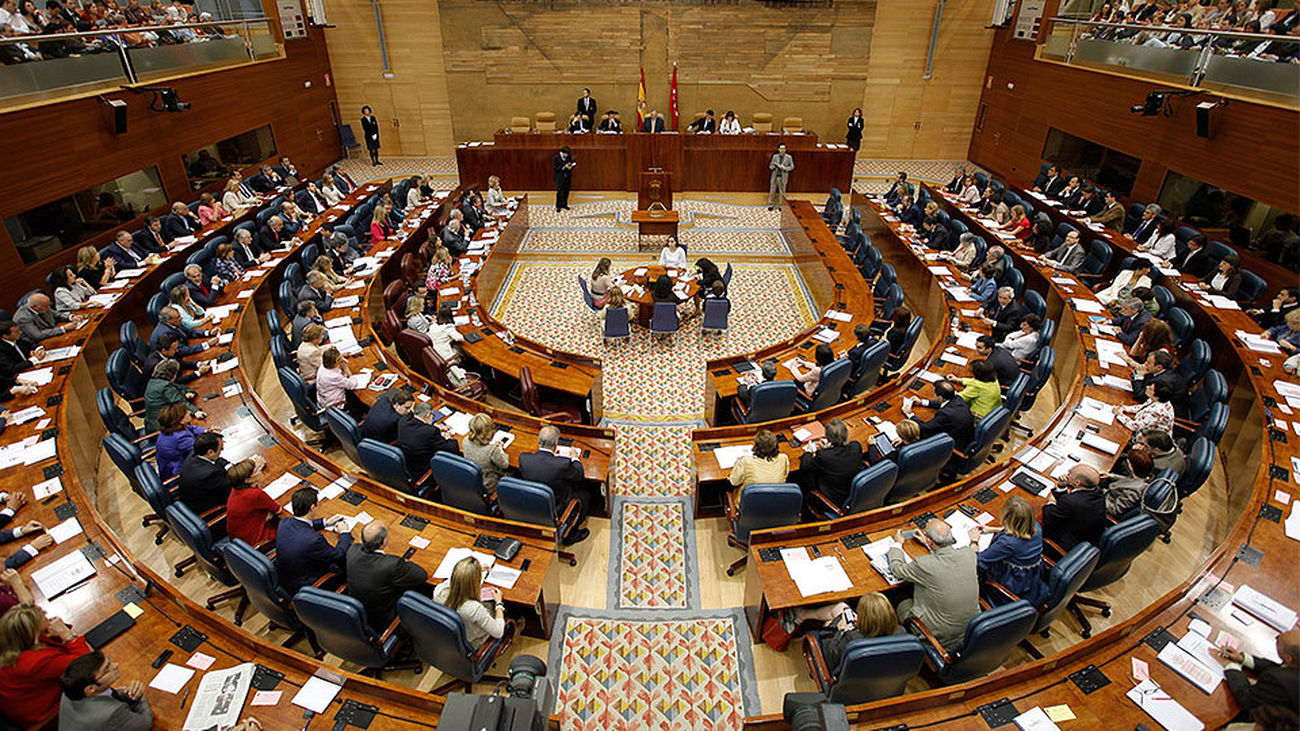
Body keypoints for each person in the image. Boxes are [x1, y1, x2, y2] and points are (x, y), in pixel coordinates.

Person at [887, 520, 979, 652]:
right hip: (970, 628)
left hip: (937, 636)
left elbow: (897, 569)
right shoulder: (969, 554)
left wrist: (897, 544)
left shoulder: (924, 564)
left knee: (896, 593)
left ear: (930, 540)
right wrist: (929, 544)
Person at [0, 605, 91, 726]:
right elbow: (87, 664)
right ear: (35, 634)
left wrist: (54, 630)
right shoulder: (34, 662)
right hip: (52, 718)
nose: (48, 616)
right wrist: (66, 634)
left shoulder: (15, 645)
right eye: (45, 619)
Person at [347, 521, 429, 628]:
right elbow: (422, 576)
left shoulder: (352, 550)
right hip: (384, 617)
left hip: (358, 610)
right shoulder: (392, 565)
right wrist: (404, 562)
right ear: (384, 541)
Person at [971, 496, 1047, 607]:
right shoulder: (1036, 527)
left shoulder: (1007, 543)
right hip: (1031, 579)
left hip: (1010, 583)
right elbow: (1020, 530)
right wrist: (992, 529)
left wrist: (974, 541)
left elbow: (978, 562)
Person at [276, 487, 353, 594]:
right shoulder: (314, 540)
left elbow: (301, 525)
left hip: (286, 576)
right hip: (306, 584)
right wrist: (345, 533)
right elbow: (339, 554)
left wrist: (325, 522)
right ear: (312, 508)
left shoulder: (285, 522)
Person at [519, 425, 589, 541]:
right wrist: (574, 458)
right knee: (584, 495)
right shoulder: (562, 464)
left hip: (530, 504)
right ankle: (571, 535)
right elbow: (579, 474)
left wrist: (553, 458)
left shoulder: (524, 458)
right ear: (556, 443)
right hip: (555, 507)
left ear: (538, 441)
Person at [57, 650, 154, 731]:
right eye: (107, 669)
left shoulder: (69, 691)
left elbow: (108, 693)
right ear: (91, 689)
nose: (116, 665)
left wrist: (125, 693)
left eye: (110, 662)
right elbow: (145, 723)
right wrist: (139, 697)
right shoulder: (112, 713)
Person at [1215, 628, 1299, 716]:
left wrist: (1230, 665)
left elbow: (1246, 698)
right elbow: (1280, 668)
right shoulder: (1295, 662)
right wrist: (1242, 659)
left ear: (1289, 658)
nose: (1276, 638)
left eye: (1278, 640)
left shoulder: (1282, 682)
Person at [433, 556, 509, 650]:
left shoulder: (439, 591)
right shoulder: (474, 608)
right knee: (495, 607)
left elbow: (457, 580)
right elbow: (498, 632)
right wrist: (499, 603)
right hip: (472, 640)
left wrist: (473, 571)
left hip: (451, 635)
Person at [817, 592, 898, 671]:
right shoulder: (901, 633)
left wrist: (840, 631)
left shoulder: (852, 639)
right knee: (841, 607)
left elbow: (831, 656)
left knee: (829, 622)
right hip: (884, 676)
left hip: (846, 677)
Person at [797, 418, 864, 506]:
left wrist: (809, 452)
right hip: (849, 489)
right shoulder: (856, 446)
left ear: (828, 438)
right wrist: (829, 447)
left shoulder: (824, 456)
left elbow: (805, 465)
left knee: (803, 474)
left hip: (833, 499)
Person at [1043, 464, 1106, 550]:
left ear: (1077, 483)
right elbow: (1069, 508)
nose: (1067, 473)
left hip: (1066, 543)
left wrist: (1050, 503)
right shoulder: (1097, 492)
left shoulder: (1072, 502)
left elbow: (1049, 517)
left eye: (1070, 473)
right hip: (1087, 537)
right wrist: (1062, 487)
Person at [396, 402, 461, 477]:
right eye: (432, 415)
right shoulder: (430, 432)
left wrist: (434, 425)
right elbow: (452, 448)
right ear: (428, 414)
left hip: (406, 464)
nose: (432, 417)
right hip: (422, 469)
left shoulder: (403, 421)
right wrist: (448, 437)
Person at [904, 380, 975, 448]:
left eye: (934, 394)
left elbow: (925, 427)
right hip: (967, 436)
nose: (933, 395)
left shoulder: (945, 414)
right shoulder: (957, 398)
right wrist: (922, 402)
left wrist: (910, 414)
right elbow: (943, 404)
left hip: (955, 446)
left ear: (940, 398)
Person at [728, 429, 789, 502]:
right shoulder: (784, 458)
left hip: (748, 505)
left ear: (756, 447)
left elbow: (734, 482)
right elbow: (785, 475)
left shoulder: (746, 461)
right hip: (775, 502)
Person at [143, 359, 201, 434]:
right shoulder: (165, 386)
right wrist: (196, 411)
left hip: (154, 421)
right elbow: (179, 402)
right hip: (162, 427)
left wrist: (187, 392)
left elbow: (180, 387)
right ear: (173, 375)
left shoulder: (155, 381)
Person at [177, 431, 229, 514]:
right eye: (221, 449)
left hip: (192, 497)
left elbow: (217, 460)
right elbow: (231, 486)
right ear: (210, 452)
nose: (222, 450)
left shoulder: (195, 454)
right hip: (208, 509)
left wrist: (229, 466)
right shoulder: (209, 474)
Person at [461, 413, 509, 497]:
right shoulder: (492, 450)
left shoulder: (465, 441)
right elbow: (505, 465)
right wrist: (501, 450)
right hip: (489, 485)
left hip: (473, 481)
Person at [156, 402, 203, 480]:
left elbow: (191, 428)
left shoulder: (172, 427)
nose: (189, 412)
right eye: (186, 412)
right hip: (178, 473)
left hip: (165, 466)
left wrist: (206, 431)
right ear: (180, 420)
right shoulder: (181, 438)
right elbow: (201, 451)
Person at [316, 346, 366, 420]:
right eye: (339, 359)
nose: (342, 360)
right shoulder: (333, 376)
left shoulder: (323, 367)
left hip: (323, 399)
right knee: (359, 399)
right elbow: (352, 385)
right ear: (335, 362)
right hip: (335, 404)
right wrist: (346, 369)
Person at [767, 143, 794, 211]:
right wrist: (773, 166)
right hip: (775, 176)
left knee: (782, 192)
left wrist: (785, 168)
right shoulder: (775, 157)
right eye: (781, 148)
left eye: (784, 149)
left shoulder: (789, 157)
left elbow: (792, 167)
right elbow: (770, 166)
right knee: (772, 191)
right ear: (778, 149)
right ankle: (771, 204)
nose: (782, 150)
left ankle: (780, 205)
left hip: (783, 176)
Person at [553, 146, 575, 212]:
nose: (567, 155)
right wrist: (563, 167)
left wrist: (570, 166)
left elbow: (569, 162)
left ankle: (564, 204)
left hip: (567, 176)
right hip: (560, 177)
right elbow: (555, 168)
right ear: (563, 153)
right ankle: (558, 206)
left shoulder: (568, 157)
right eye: (566, 154)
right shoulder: (556, 158)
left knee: (566, 191)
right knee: (560, 192)